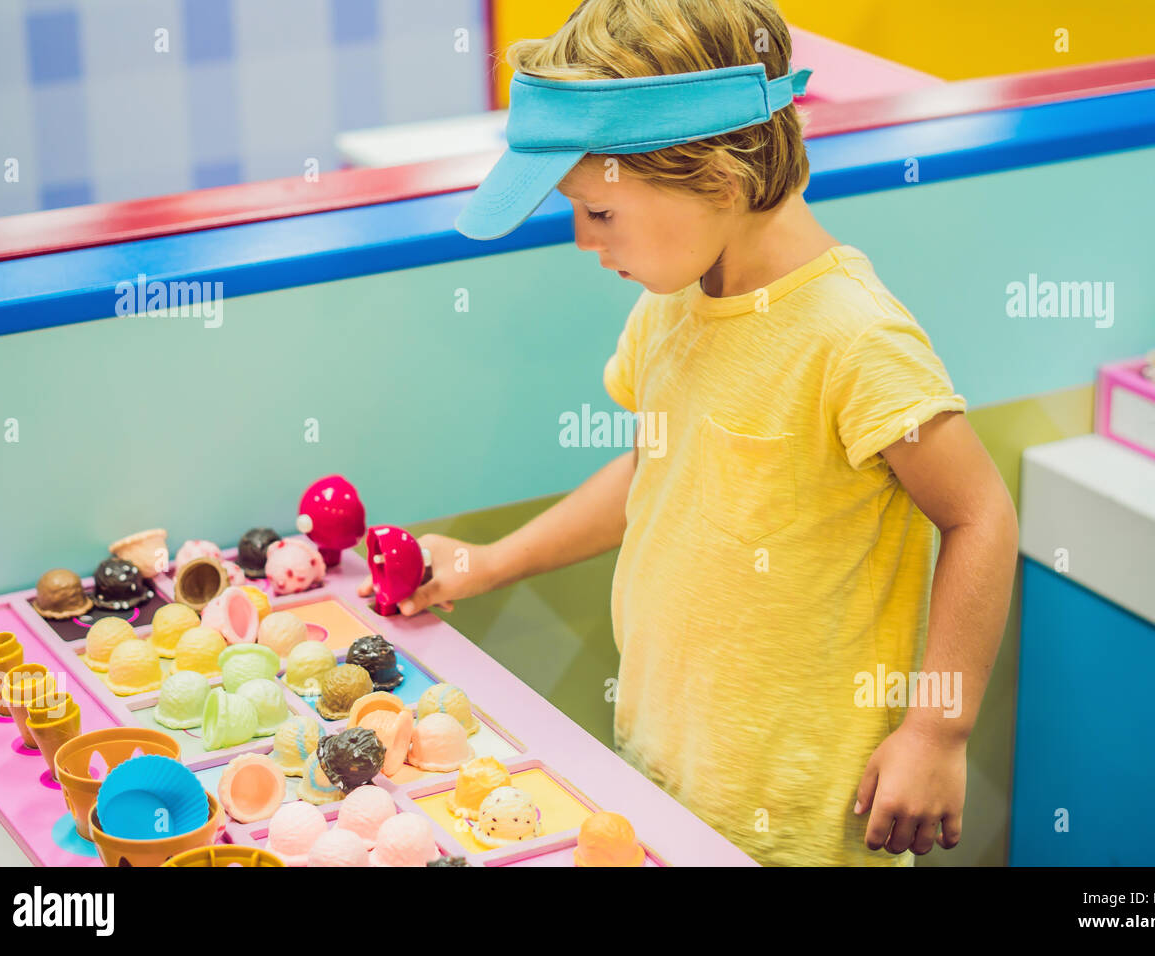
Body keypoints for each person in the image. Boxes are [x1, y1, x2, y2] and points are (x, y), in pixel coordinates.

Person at [367, 0, 1018, 866]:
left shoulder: (854, 339)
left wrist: (938, 731)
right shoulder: (670, 307)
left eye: (600, 213)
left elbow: (982, 518)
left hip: (802, 814)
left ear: (721, 175)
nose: (580, 239)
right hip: (663, 766)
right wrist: (492, 562)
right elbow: (658, 472)